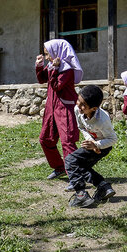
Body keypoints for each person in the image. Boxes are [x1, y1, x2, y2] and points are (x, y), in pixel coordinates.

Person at [35, 39, 83, 180]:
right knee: (46, 139)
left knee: (67, 142)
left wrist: (55, 69)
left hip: (64, 107)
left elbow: (56, 86)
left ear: (57, 52)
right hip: (52, 107)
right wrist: (39, 65)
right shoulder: (52, 65)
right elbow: (42, 79)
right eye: (46, 55)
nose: (48, 57)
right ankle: (59, 167)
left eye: (48, 54)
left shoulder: (66, 69)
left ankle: (75, 177)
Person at [66, 85, 117, 208]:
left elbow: (112, 139)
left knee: (71, 160)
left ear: (94, 108)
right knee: (81, 167)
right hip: (92, 144)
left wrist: (97, 145)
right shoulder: (77, 110)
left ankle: (81, 194)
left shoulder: (102, 120)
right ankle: (103, 186)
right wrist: (90, 140)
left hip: (104, 145)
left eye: (83, 105)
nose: (79, 105)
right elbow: (82, 127)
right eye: (79, 100)